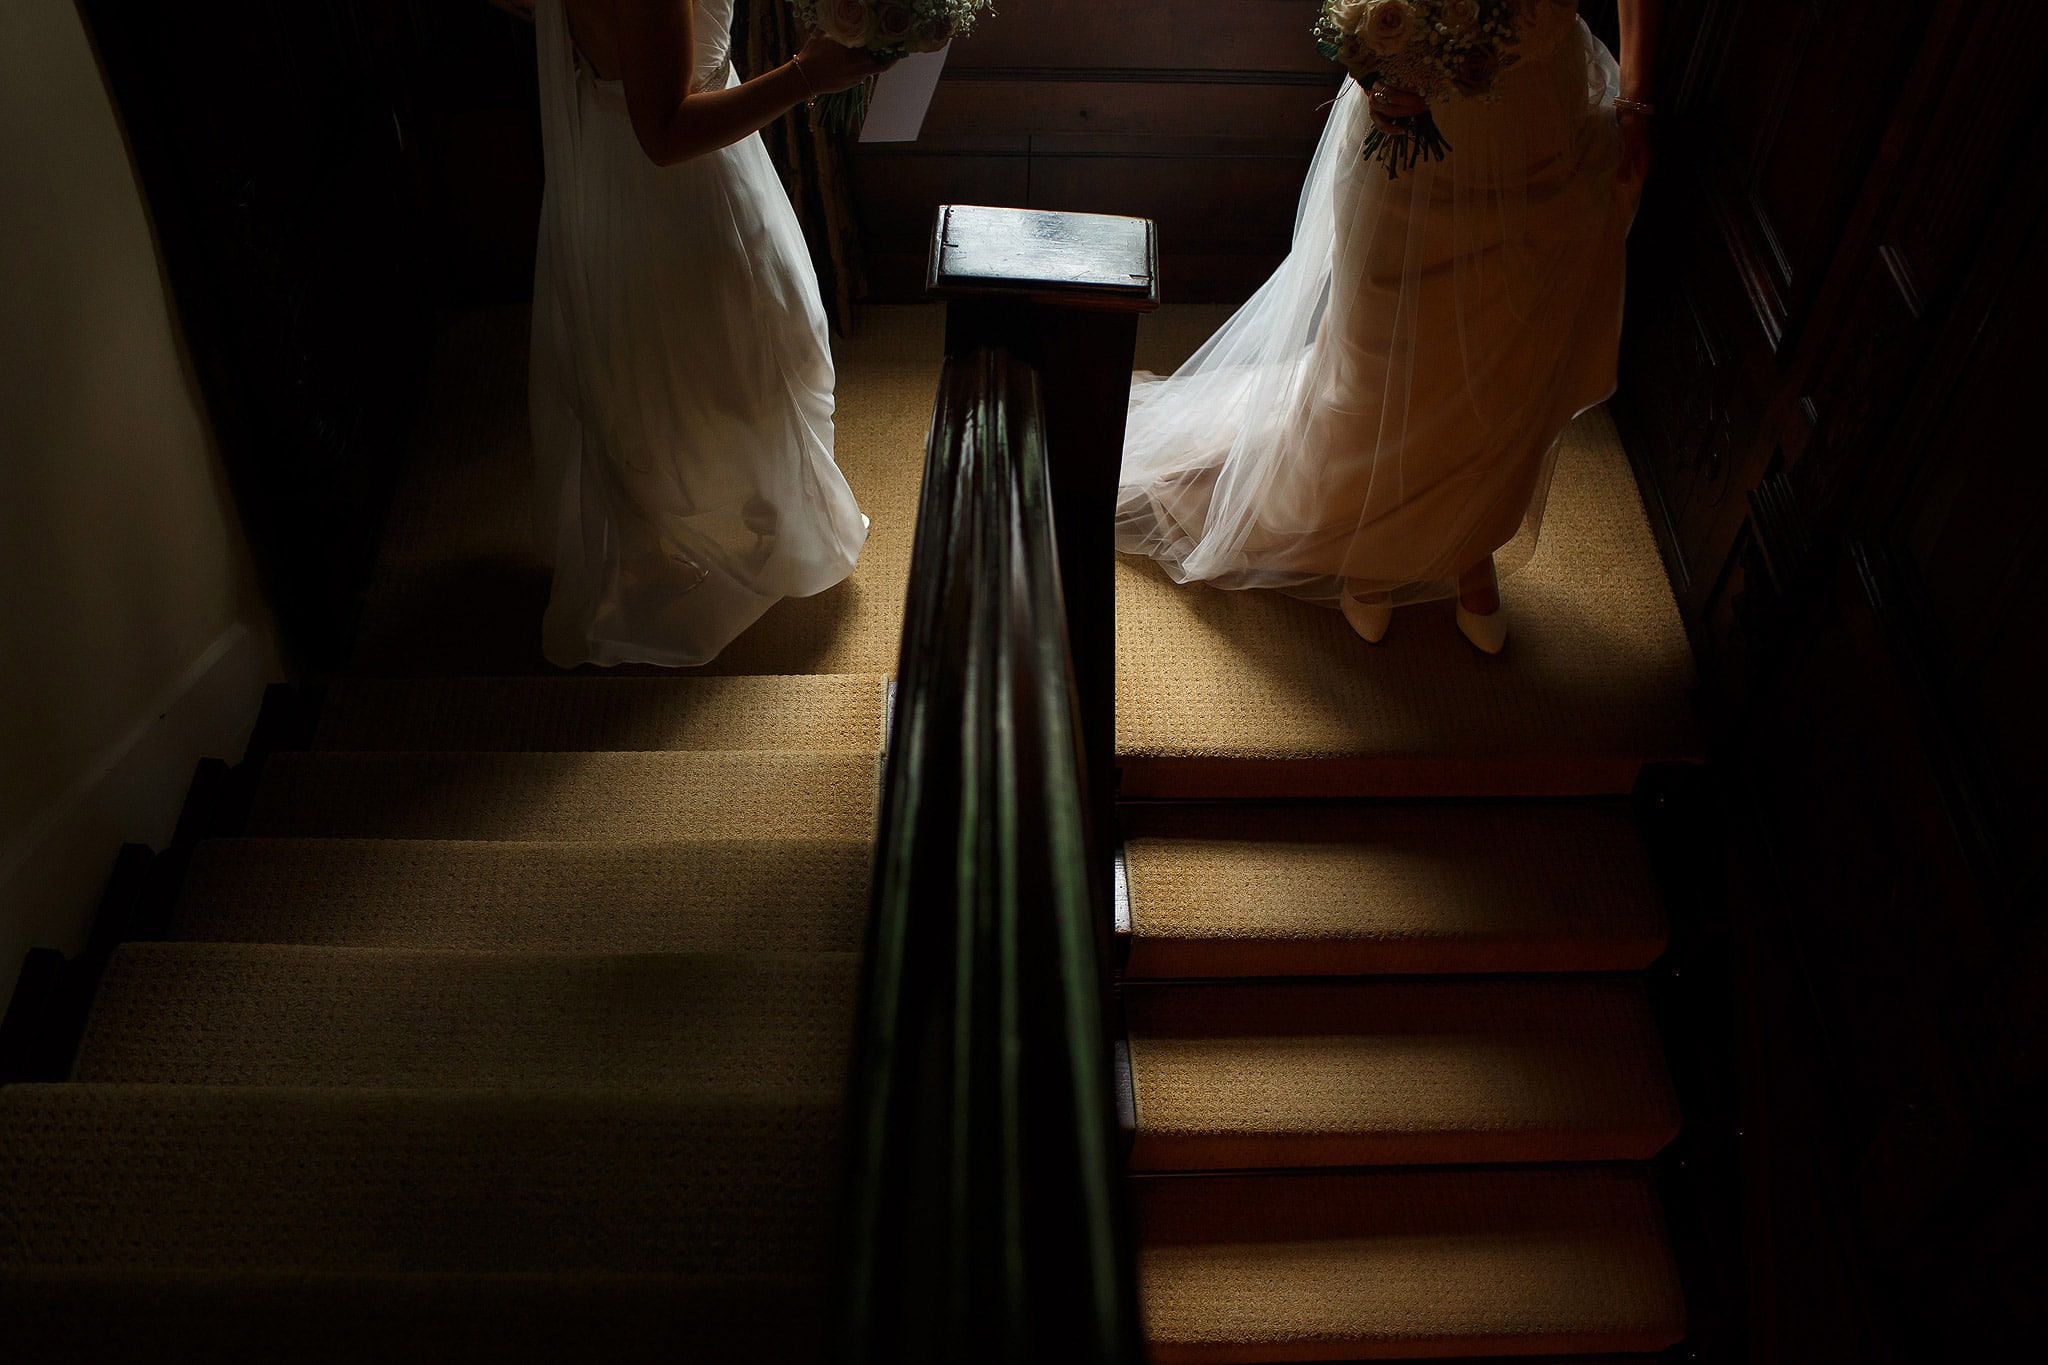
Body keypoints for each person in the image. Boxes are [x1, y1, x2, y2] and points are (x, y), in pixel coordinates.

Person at [1115, 0, 1661, 654]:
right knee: (1378, 352)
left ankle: (1470, 546)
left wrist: (1635, 104)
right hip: (1409, 119)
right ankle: (1368, 543)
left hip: (1540, 120)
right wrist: (1371, 65)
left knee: (1505, 356)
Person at [526, 0, 877, 667]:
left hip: (608, 165)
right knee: (767, 350)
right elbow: (665, 134)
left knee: (651, 360)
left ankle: (672, 534)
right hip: (687, 187)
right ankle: (767, 524)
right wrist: (807, 75)